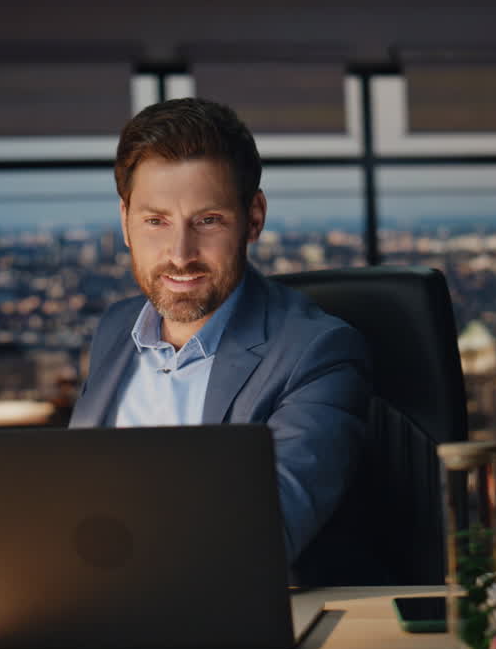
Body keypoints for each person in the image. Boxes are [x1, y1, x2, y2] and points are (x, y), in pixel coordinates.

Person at [69, 97, 371, 563]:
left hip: (234, 625)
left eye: (208, 221)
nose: (180, 253)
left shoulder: (319, 352)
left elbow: (266, 530)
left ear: (253, 218)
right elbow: (71, 493)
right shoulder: (115, 330)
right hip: (94, 608)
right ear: (125, 223)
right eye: (155, 221)